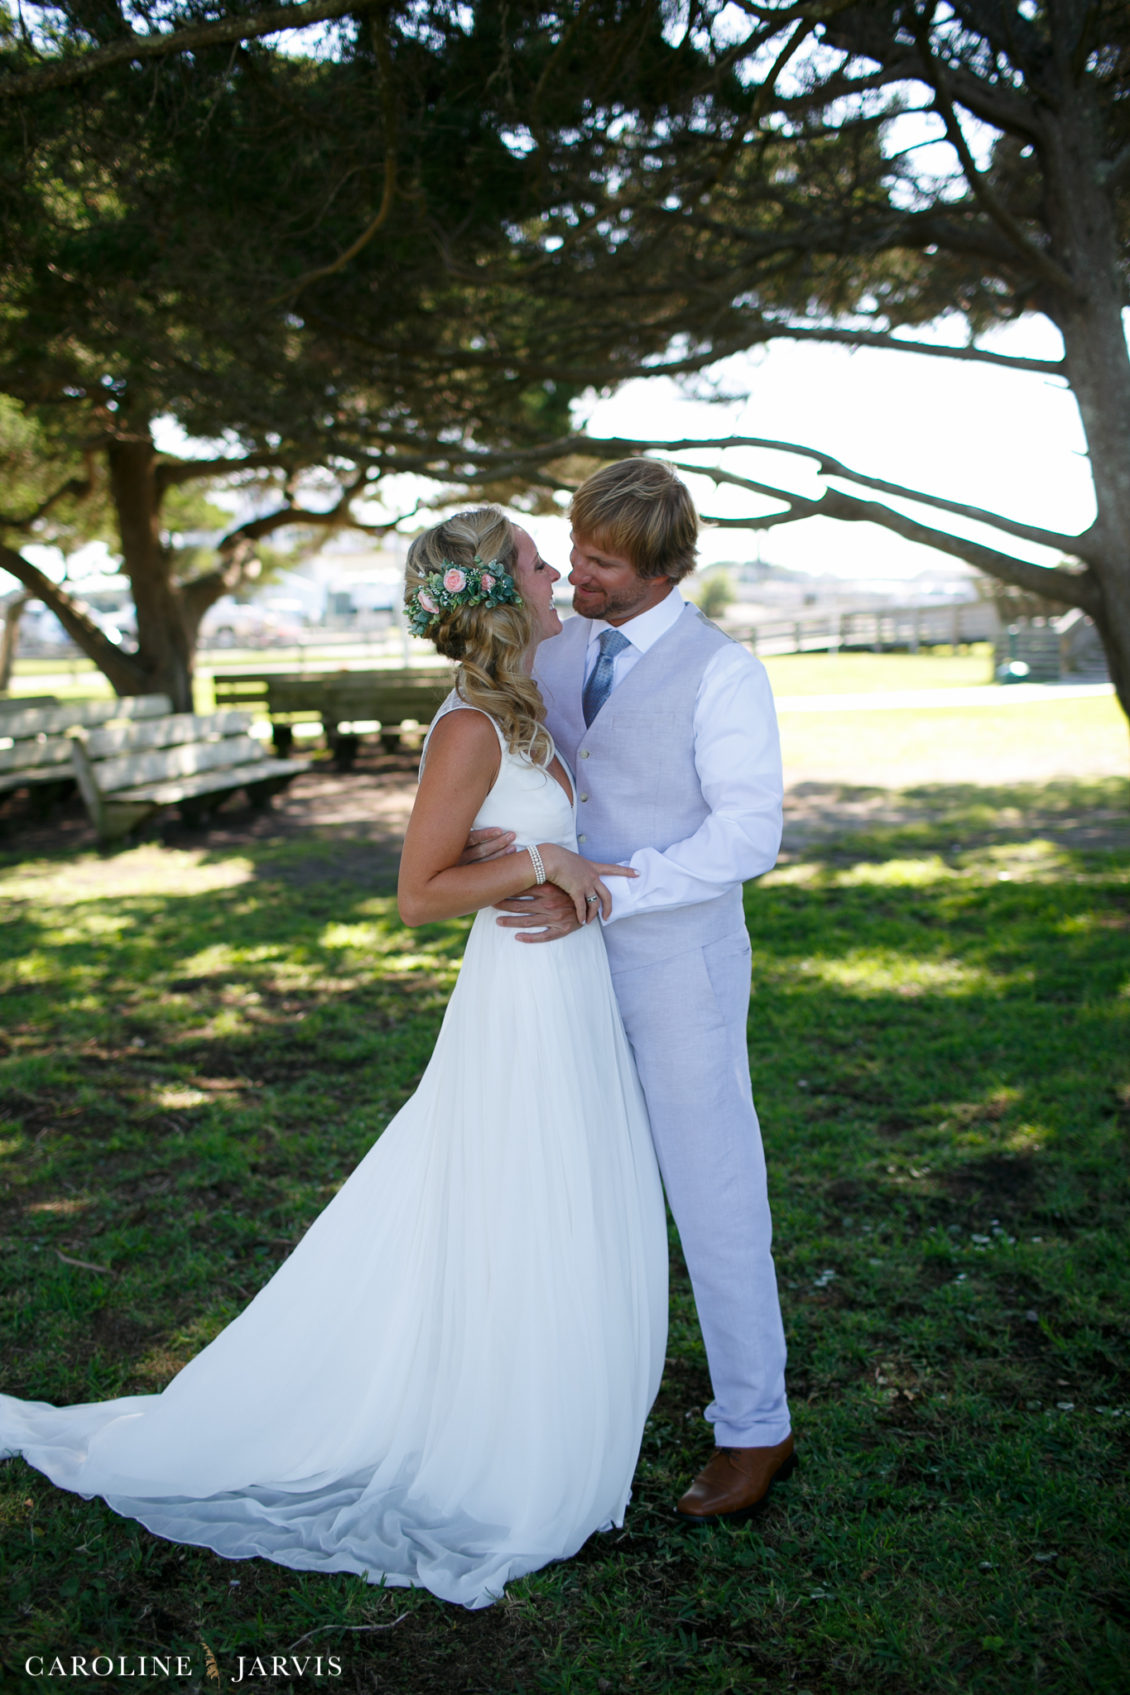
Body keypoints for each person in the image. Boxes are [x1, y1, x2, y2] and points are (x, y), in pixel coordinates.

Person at [0, 507, 668, 1610]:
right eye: (535, 561)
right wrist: (539, 859)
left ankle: (532, 1398)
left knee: (544, 1201)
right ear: (498, 595)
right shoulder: (467, 729)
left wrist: (556, 860)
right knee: (507, 1202)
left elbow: (515, 855)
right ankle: (487, 1437)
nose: (556, 571)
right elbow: (417, 896)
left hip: (563, 990)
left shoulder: (526, 707)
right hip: (519, 999)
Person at [467, 459, 794, 1522]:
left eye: (600, 565)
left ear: (660, 570)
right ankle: (570, 1389)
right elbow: (519, 764)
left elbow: (747, 834)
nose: (572, 578)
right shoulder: (550, 647)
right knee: (566, 1177)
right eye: (573, 551)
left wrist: (610, 892)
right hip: (550, 969)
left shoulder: (722, 672)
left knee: (712, 1191)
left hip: (676, 967)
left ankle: (755, 1428)